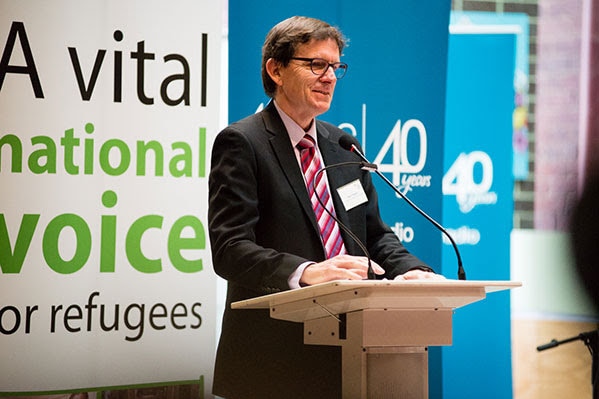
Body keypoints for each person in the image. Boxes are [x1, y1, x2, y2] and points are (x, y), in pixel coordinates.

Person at [208, 15, 444, 399]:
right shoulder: (242, 142)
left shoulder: (343, 145)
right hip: (271, 359)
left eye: (335, 67)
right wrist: (306, 272)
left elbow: (373, 235)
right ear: (276, 69)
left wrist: (412, 271)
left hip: (350, 351)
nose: (329, 76)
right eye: (316, 64)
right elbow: (230, 249)